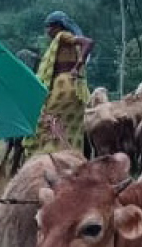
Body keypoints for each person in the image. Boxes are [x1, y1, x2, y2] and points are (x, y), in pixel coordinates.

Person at [22, 10, 94, 156]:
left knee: (46, 120)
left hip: (64, 86)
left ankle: (50, 152)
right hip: (70, 86)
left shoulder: (63, 36)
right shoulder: (63, 41)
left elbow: (88, 42)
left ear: (57, 26)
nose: (47, 31)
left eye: (48, 27)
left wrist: (77, 67)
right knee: (66, 125)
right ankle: (66, 152)